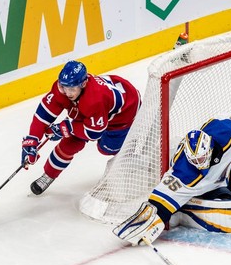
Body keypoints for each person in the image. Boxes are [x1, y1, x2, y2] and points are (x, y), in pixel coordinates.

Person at [113, 112, 231, 245]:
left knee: (227, 190)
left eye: (201, 159)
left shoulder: (228, 133)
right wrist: (153, 223)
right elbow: (158, 203)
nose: (200, 163)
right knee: (223, 201)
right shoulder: (184, 171)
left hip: (221, 177)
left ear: (209, 148)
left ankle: (222, 183)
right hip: (199, 188)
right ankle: (185, 205)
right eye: (195, 160)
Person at [21, 60, 141, 195]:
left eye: (71, 89)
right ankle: (48, 175)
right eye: (63, 87)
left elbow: (94, 132)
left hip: (124, 112)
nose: (66, 92)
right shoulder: (63, 89)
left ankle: (132, 147)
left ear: (83, 84)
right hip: (95, 112)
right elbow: (43, 114)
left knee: (106, 148)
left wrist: (66, 128)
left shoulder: (94, 100)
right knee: (69, 144)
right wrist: (32, 138)